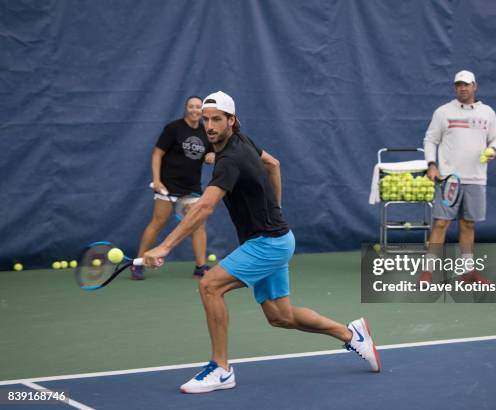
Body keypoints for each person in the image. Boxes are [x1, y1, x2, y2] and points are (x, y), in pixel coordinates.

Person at [143, 91, 381, 393]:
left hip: (268, 243)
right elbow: (274, 164)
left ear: (232, 120)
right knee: (280, 316)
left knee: (210, 285)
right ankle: (352, 335)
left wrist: (164, 246)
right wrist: (275, 208)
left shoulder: (229, 160)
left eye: (217, 119)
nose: (210, 125)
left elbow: (205, 206)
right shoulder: (242, 142)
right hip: (276, 238)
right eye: (206, 119)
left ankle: (221, 368)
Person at [420, 70, 496, 284]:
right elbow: (430, 140)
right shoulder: (443, 112)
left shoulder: (487, 113)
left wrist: (492, 149)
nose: (462, 88)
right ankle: (427, 273)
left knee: (468, 225)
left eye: (466, 84)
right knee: (440, 224)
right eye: (458, 85)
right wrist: (431, 164)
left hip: (476, 179)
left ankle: (468, 272)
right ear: (455, 87)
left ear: (475, 86)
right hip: (449, 179)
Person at [132, 96, 213, 280]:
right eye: (191, 106)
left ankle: (200, 268)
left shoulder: (206, 131)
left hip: (192, 188)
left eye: (198, 107)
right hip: (168, 187)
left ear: (202, 110)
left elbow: (211, 152)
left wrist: (210, 156)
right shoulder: (173, 129)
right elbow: (157, 154)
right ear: (186, 108)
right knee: (158, 223)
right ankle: (138, 263)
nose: (195, 110)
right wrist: (157, 180)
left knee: (198, 226)